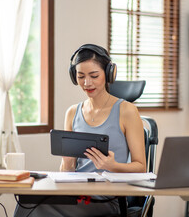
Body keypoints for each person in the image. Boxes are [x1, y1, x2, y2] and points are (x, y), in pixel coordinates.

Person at [14, 44, 146, 217]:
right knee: (26, 202)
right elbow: (66, 172)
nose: (87, 83)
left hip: (108, 199)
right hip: (76, 193)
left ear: (108, 74)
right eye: (81, 76)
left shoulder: (127, 111)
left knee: (35, 208)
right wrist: (67, 162)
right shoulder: (72, 113)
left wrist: (113, 166)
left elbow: (141, 167)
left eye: (94, 75)